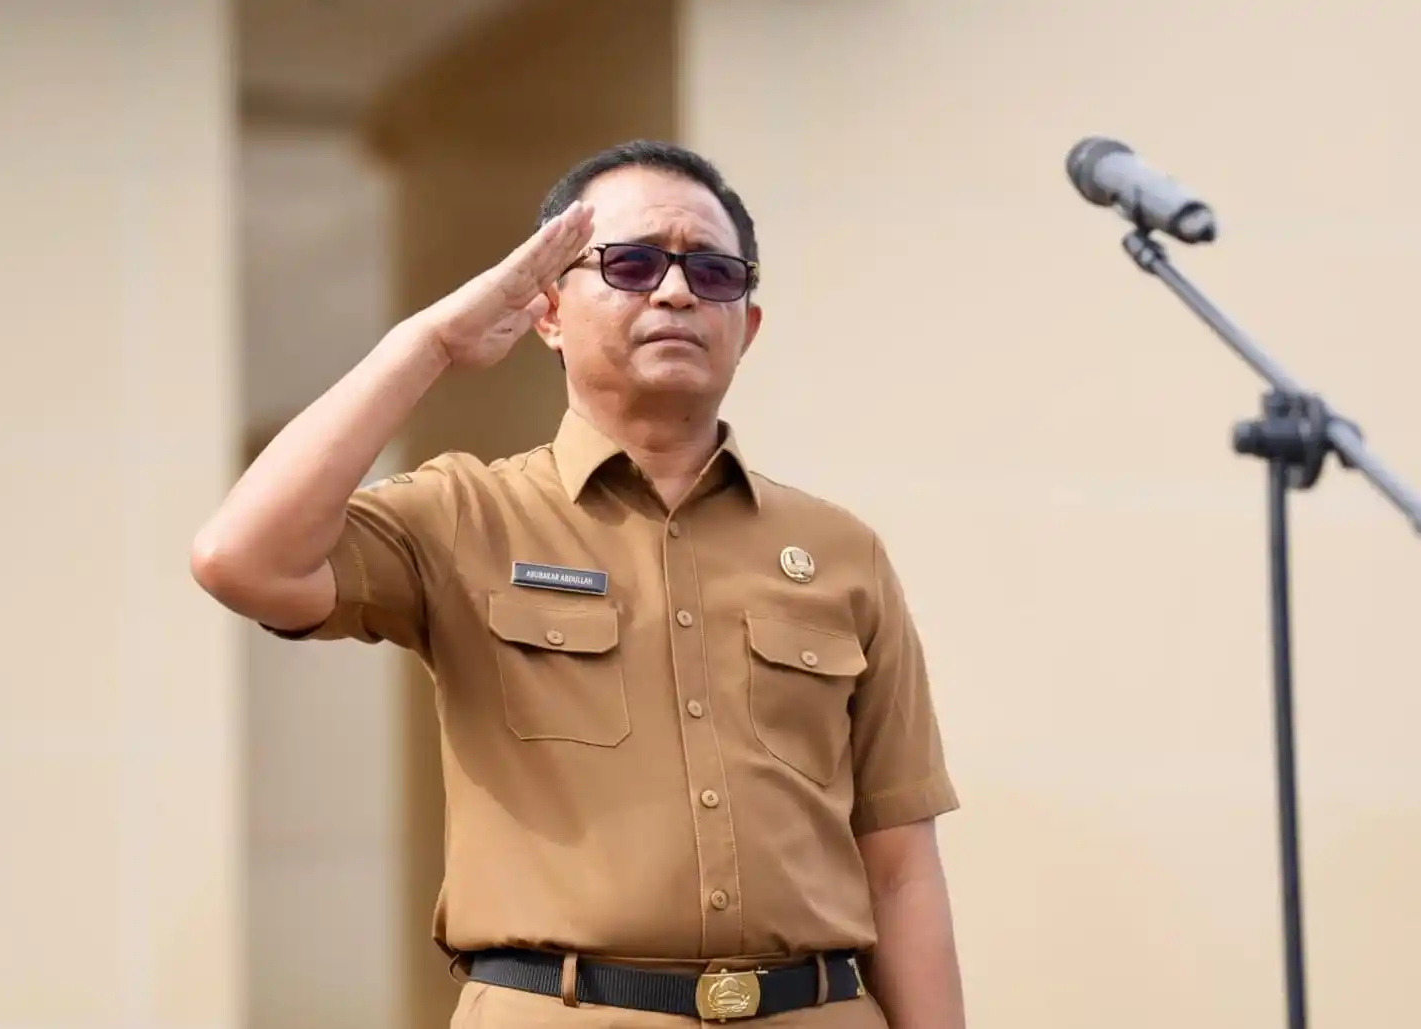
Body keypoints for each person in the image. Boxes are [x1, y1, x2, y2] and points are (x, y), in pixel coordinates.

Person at [191, 140, 965, 1028]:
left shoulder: (839, 550)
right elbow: (242, 559)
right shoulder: (464, 515)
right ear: (547, 311)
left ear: (745, 327)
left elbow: (900, 865)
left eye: (712, 273)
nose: (675, 291)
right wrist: (430, 341)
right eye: (632, 264)